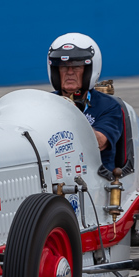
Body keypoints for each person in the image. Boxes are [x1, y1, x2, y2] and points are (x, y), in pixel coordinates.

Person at [48, 32, 122, 172]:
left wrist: (72, 114)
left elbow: (98, 143)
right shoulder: (46, 103)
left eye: (76, 67)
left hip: (96, 181)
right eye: (63, 67)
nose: (70, 72)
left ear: (88, 70)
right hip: (55, 176)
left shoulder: (109, 106)